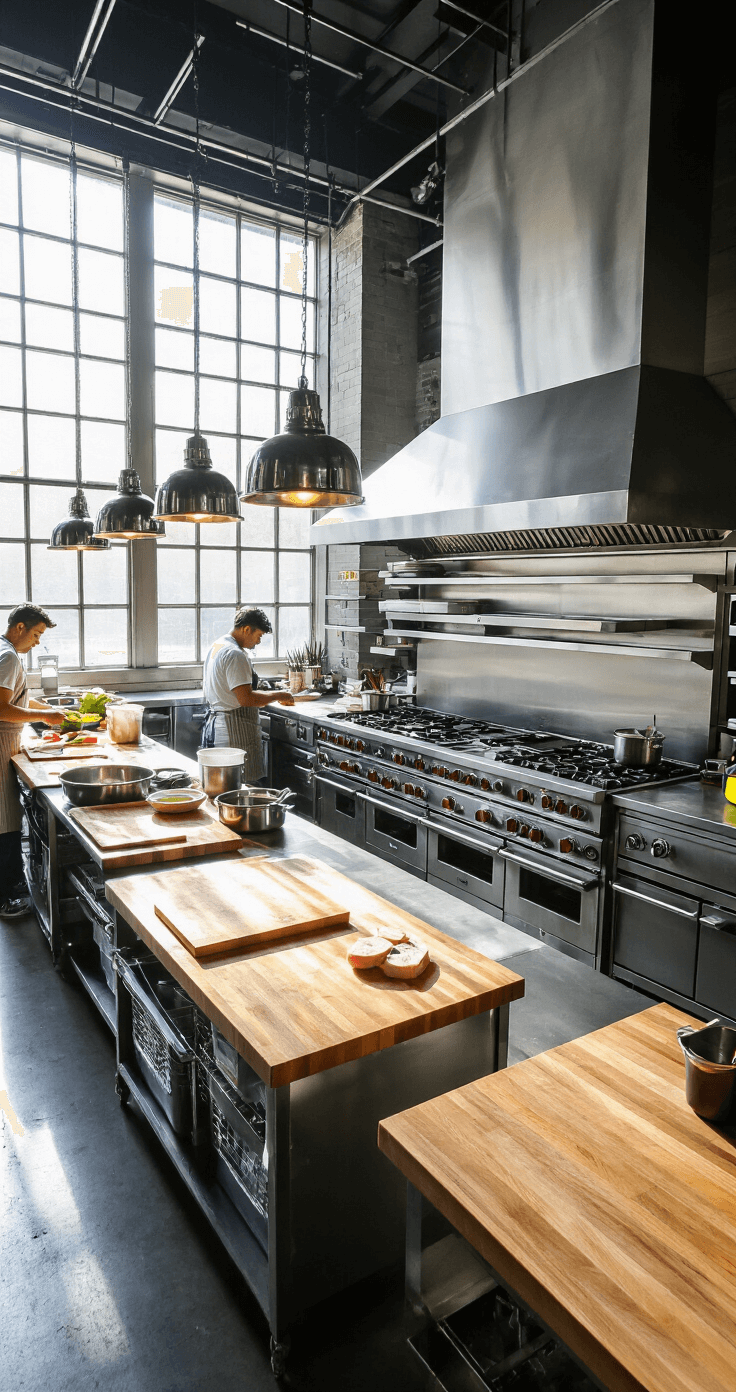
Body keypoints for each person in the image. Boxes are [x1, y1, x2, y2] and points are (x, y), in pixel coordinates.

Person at [0, 604, 66, 920]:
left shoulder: (4, 651)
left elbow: (17, 701)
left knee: (7, 819)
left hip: (8, 741)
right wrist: (44, 715)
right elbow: (1, 708)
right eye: (37, 634)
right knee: (5, 823)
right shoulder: (9, 656)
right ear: (21, 627)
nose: (37, 642)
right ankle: (7, 896)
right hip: (1, 742)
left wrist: (50, 712)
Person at [201, 607, 294, 784]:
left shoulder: (218, 645)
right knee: (242, 786)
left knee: (225, 786)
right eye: (259, 636)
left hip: (218, 725)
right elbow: (246, 698)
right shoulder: (235, 655)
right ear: (246, 629)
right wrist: (279, 694)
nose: (258, 642)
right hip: (233, 731)